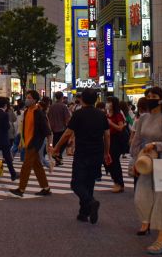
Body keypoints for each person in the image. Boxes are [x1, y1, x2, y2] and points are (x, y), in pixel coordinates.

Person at [131, 86, 162, 255]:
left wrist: (155, 145)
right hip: (145, 162)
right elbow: (136, 141)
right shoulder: (143, 118)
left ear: (161, 99)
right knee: (140, 198)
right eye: (148, 96)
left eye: (153, 96)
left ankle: (161, 240)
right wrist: (135, 160)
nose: (150, 98)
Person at [51, 88, 110, 224]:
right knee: (89, 182)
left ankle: (90, 202)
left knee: (76, 183)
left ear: (82, 99)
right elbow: (107, 135)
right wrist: (106, 152)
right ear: (96, 100)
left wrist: (57, 148)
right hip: (97, 152)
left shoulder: (78, 114)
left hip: (83, 152)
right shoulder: (101, 115)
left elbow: (67, 133)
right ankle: (84, 213)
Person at [9, 90, 52, 198]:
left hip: (35, 143)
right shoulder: (27, 111)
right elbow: (24, 129)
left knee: (26, 166)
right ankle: (46, 188)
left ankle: (21, 189)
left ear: (35, 100)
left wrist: (50, 145)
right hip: (27, 142)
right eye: (27, 97)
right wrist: (21, 141)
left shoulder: (39, 113)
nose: (27, 99)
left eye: (29, 98)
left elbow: (47, 131)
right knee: (37, 166)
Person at [0, 97, 18, 181]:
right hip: (4, 139)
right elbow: (7, 127)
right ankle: (13, 174)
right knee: (8, 158)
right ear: (5, 105)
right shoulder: (5, 114)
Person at [105, 96, 128, 193]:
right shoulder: (107, 114)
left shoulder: (117, 114)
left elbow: (120, 128)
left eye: (109, 102)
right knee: (109, 161)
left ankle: (119, 183)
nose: (107, 104)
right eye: (107, 102)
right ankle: (116, 181)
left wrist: (110, 123)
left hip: (116, 139)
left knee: (114, 162)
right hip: (108, 139)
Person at [48, 91, 70, 167]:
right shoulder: (64, 106)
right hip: (62, 128)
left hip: (53, 128)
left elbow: (48, 117)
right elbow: (67, 118)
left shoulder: (51, 107)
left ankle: (58, 158)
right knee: (64, 142)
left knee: (55, 142)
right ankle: (57, 155)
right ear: (62, 97)